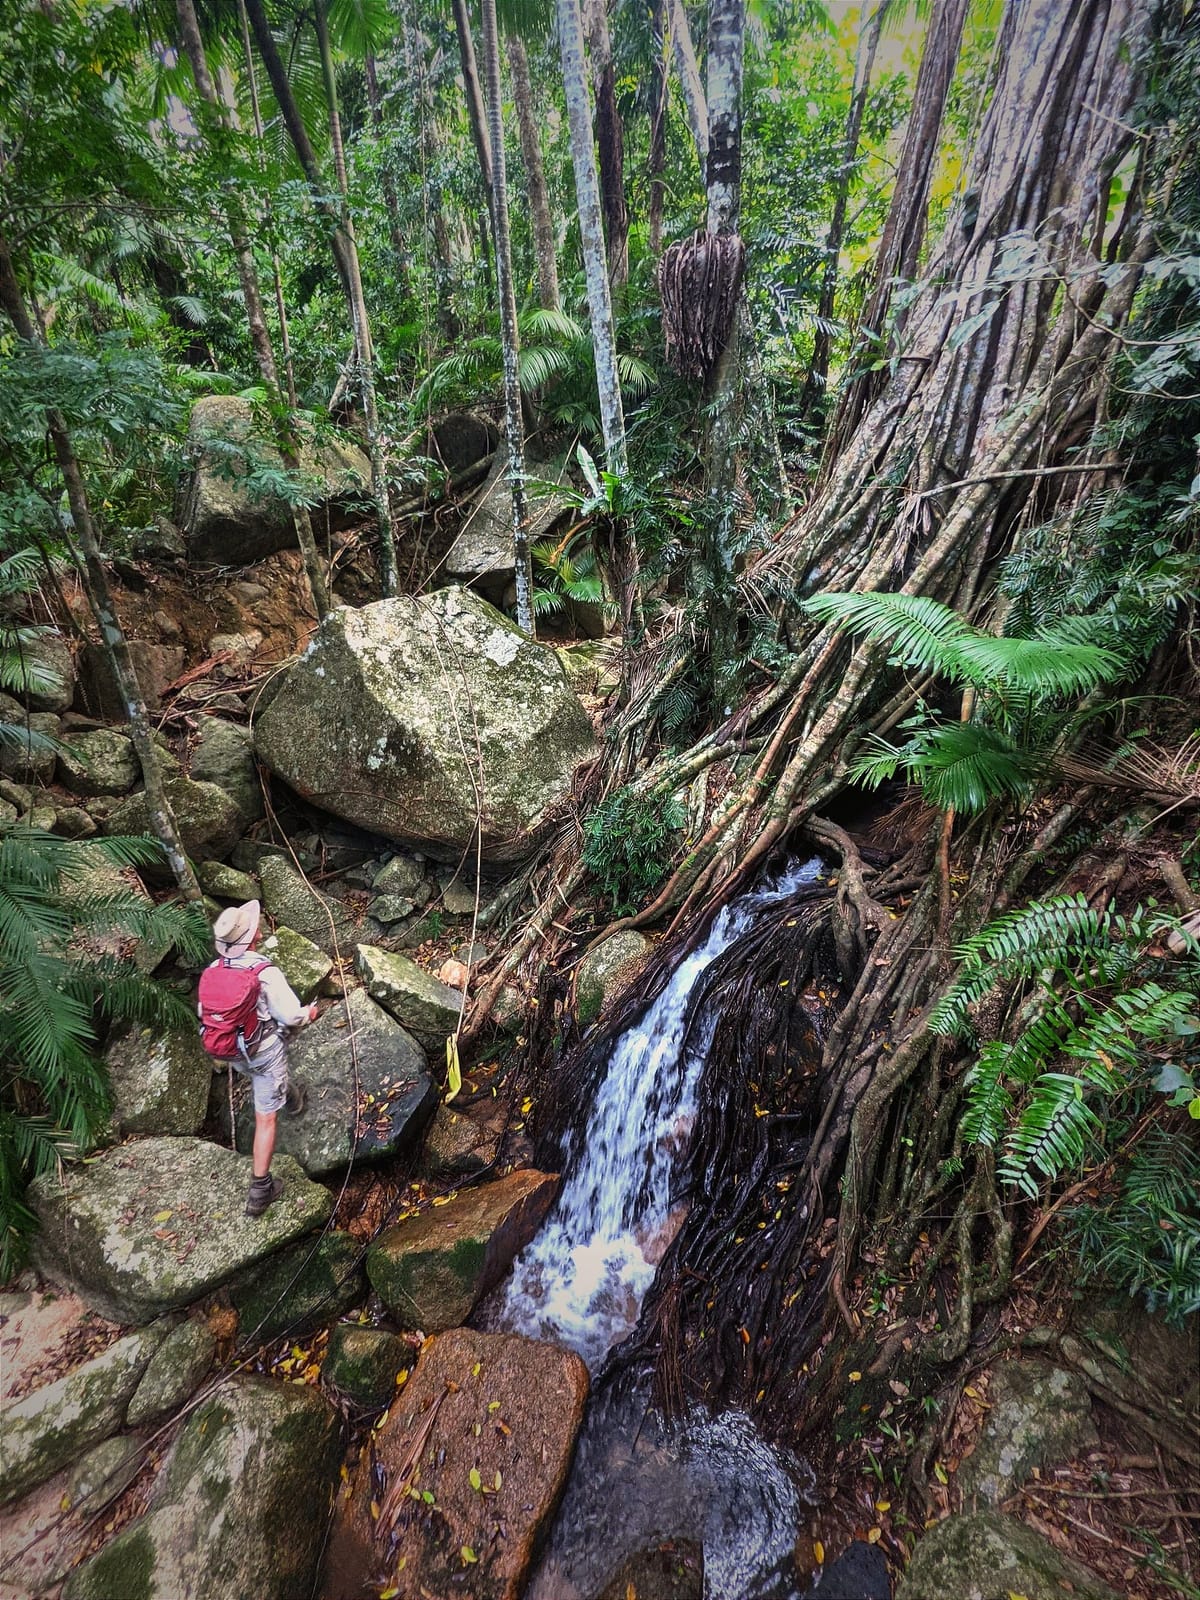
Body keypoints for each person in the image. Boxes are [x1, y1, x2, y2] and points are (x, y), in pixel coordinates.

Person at [201, 900, 317, 1217]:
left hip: (231, 1052)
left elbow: (207, 1015)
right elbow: (291, 1016)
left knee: (266, 1079)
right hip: (263, 1051)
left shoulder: (212, 972)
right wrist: (310, 1013)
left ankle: (291, 1098)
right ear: (253, 938)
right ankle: (260, 1190)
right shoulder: (264, 972)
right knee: (266, 1116)